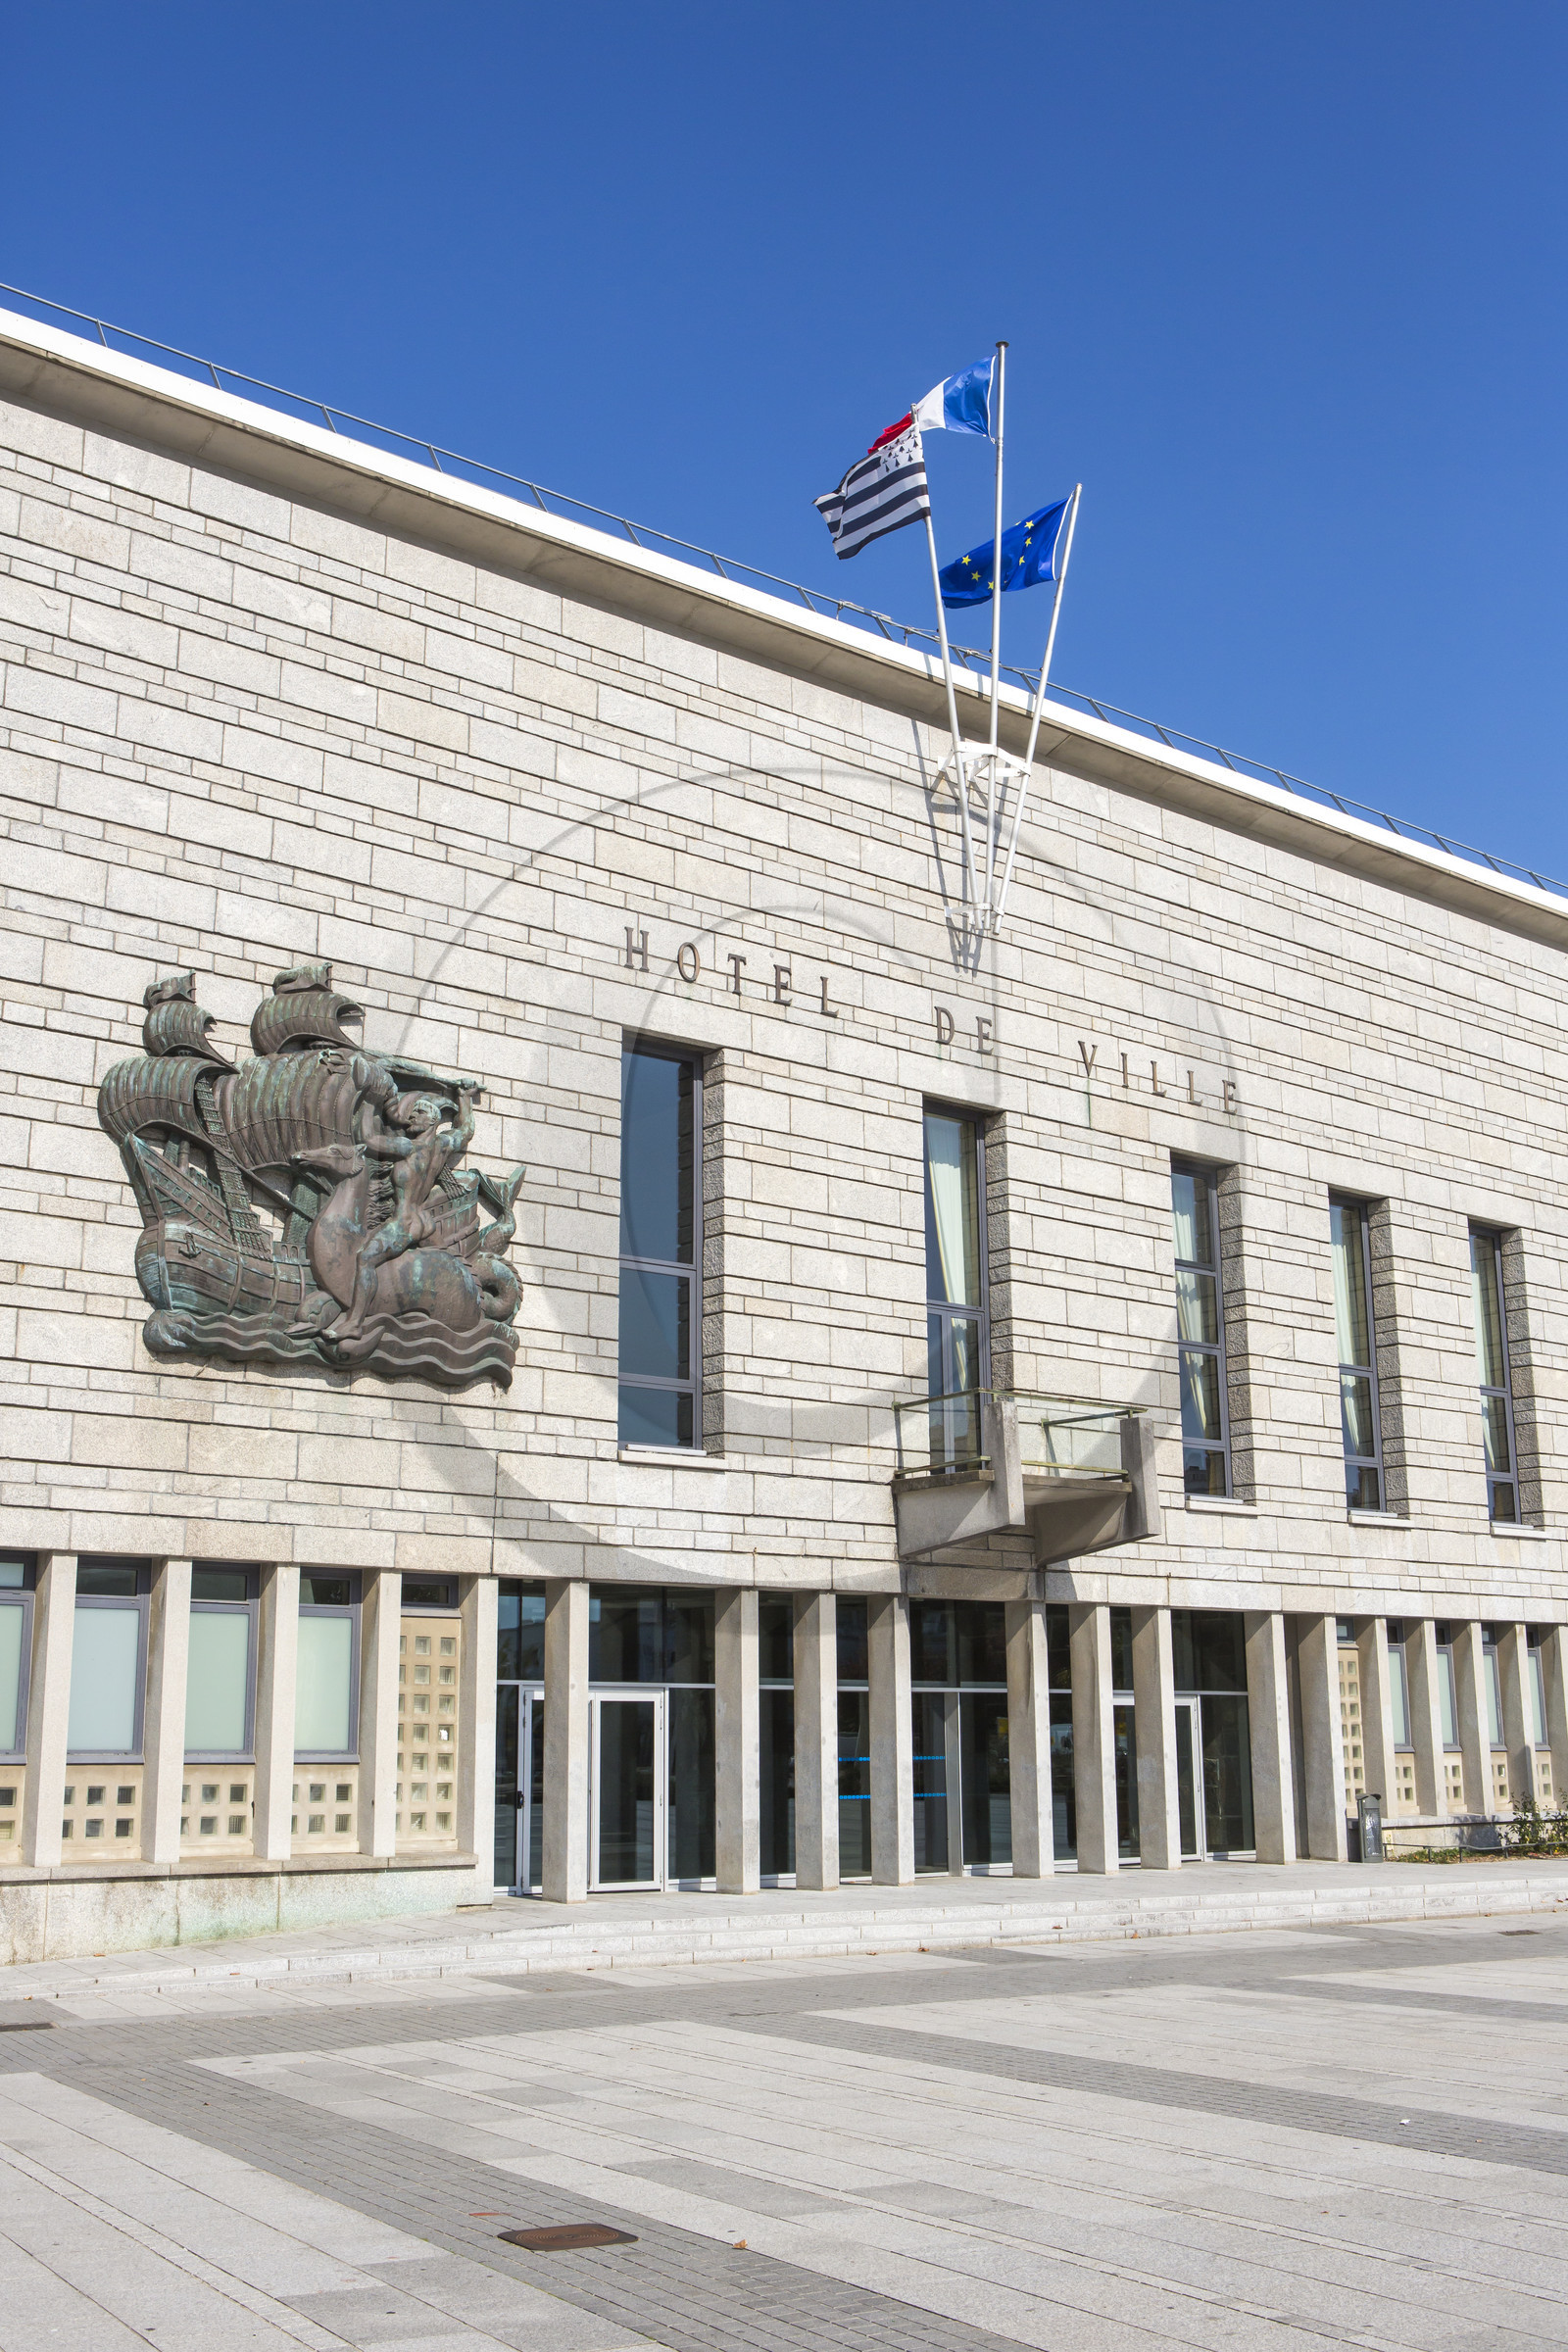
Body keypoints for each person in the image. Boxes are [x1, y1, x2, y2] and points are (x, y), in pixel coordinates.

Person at [327, 1083, 475, 1340]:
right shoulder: (443, 1145)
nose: (411, 1117)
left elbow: (369, 1139)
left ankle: (353, 1323)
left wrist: (371, 1102)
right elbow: (466, 1129)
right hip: (425, 1223)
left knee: (365, 1259)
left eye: (419, 1113)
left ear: (432, 1120)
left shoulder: (409, 1147)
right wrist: (464, 1098)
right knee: (449, 1265)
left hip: (404, 1221)